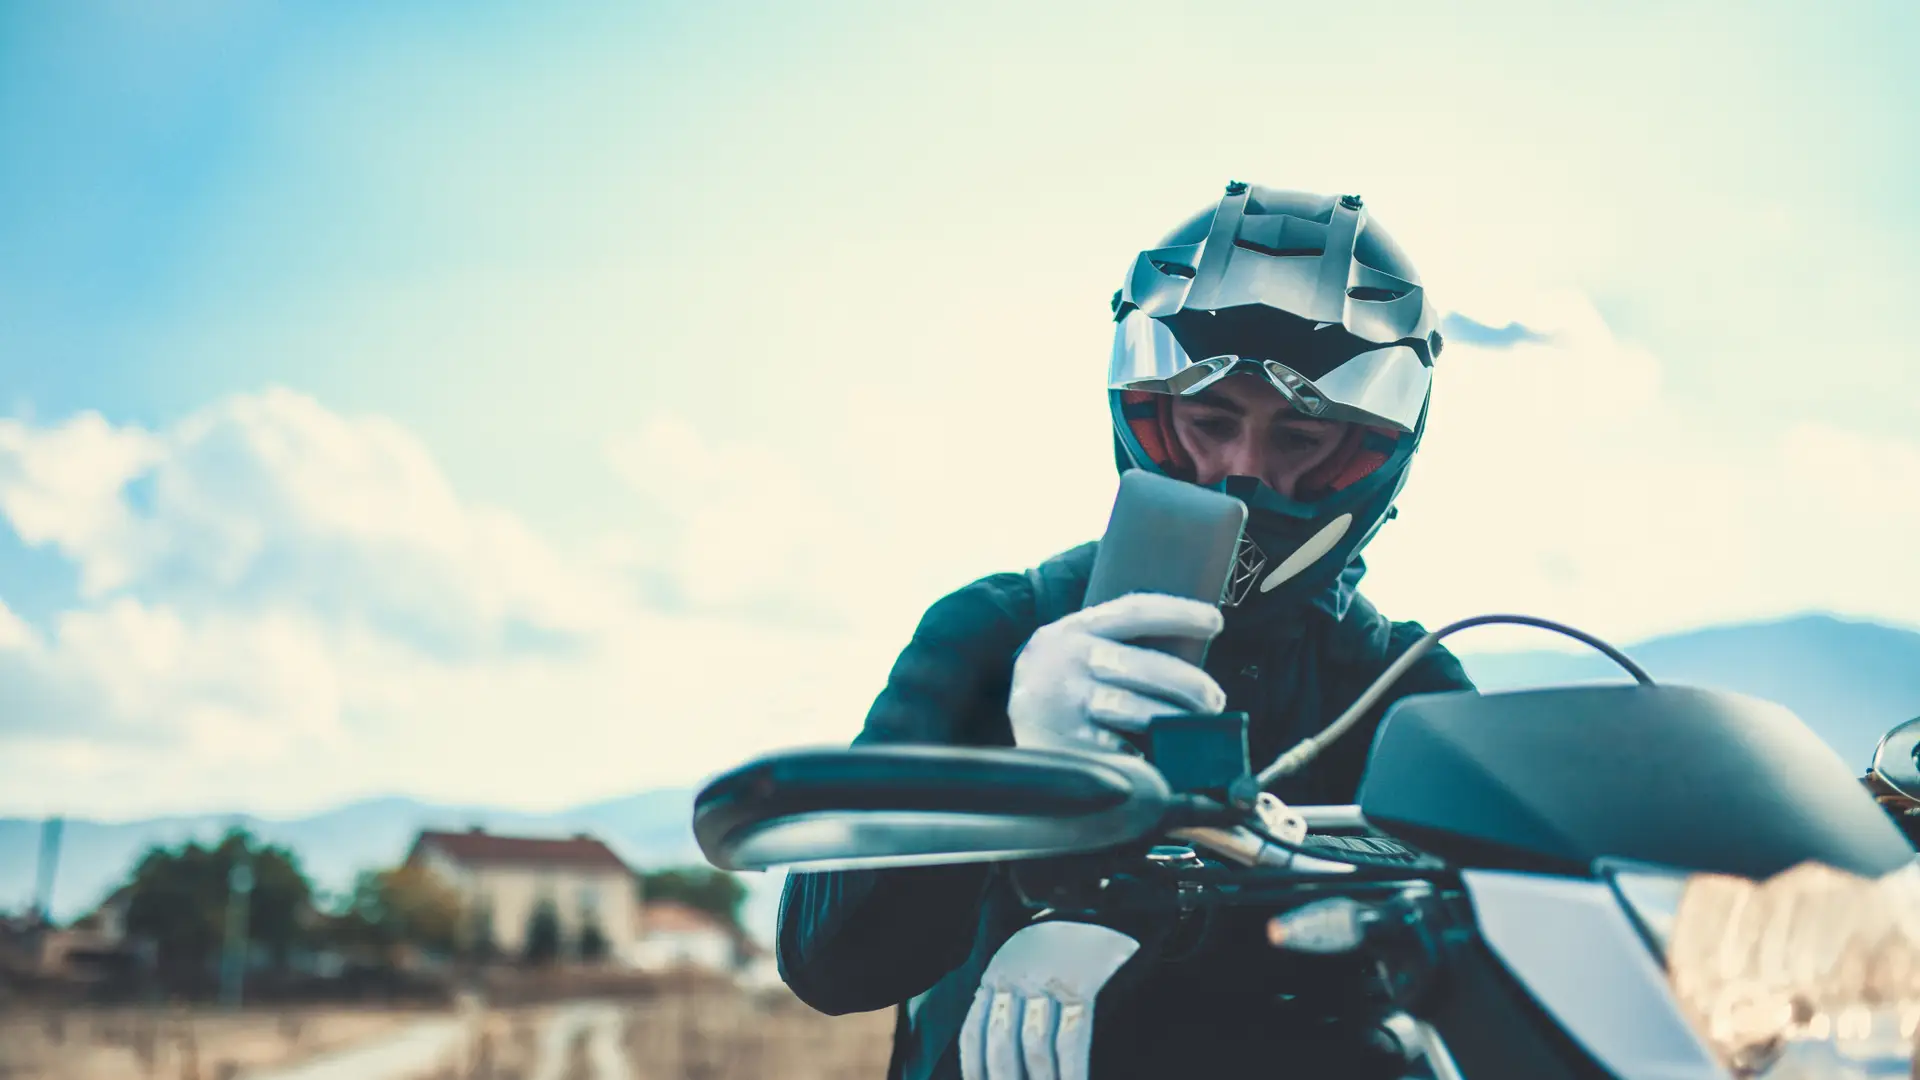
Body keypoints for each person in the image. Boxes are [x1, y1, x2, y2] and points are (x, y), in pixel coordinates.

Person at [775, 183, 1478, 1080]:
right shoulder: (998, 629)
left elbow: (1478, 923)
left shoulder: (1405, 689)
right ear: (1148, 413)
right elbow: (828, 962)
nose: (1240, 472)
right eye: (1210, 421)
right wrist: (1012, 770)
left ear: (1368, 456)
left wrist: (1155, 907)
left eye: (1302, 437)